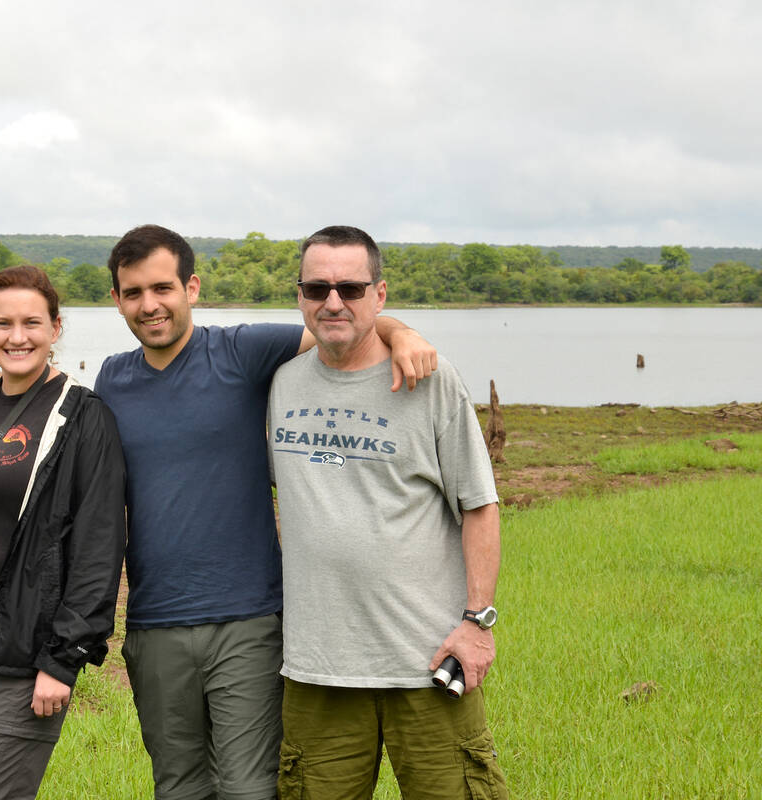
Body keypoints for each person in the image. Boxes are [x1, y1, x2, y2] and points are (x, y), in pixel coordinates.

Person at [95, 224, 440, 800]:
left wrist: (402, 333)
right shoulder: (112, 378)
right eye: (133, 293)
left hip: (248, 621)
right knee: (177, 788)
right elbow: (57, 408)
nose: (149, 305)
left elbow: (337, 321)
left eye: (162, 288)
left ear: (191, 288)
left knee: (250, 789)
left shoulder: (242, 351)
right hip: (154, 624)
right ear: (116, 299)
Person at [266, 225, 506, 797]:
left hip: (427, 663)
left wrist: (477, 624)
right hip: (317, 667)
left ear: (379, 295)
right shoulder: (280, 384)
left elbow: (479, 506)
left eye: (351, 288)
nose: (333, 302)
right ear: (300, 296)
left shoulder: (431, 381)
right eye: (317, 288)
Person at [0, 266, 127, 800]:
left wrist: (63, 660)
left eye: (32, 323)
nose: (17, 337)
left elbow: (99, 544)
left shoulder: (83, 416)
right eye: (3, 324)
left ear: (56, 328)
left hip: (26, 644)